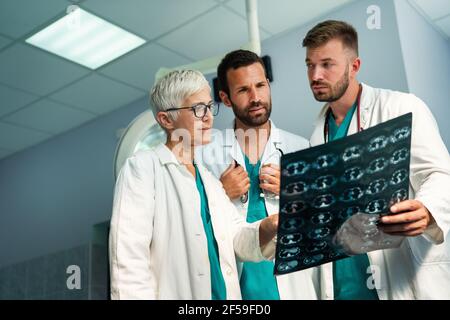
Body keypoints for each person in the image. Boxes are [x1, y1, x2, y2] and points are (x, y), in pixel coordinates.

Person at [303, 20, 450, 299]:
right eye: (310, 64)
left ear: (354, 66)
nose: (315, 74)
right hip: (342, 284)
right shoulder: (315, 137)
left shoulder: (401, 107)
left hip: (396, 277)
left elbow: (440, 173)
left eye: (326, 64)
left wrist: (427, 208)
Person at [109, 69, 278, 300]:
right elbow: (128, 259)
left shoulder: (208, 179)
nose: (208, 116)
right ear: (166, 119)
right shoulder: (143, 168)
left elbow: (236, 239)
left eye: (209, 106)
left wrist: (268, 226)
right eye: (198, 109)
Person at [196, 50, 319, 300]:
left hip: (293, 288)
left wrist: (295, 191)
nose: (256, 98)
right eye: (242, 90)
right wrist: (219, 194)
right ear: (226, 98)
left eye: (261, 85)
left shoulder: (300, 148)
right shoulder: (205, 155)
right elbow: (192, 229)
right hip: (237, 292)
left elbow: (324, 223)